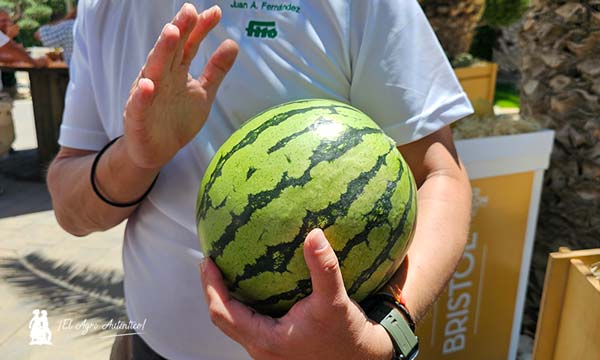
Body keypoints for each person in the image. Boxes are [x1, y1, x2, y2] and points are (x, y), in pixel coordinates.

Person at [47, 1, 473, 359]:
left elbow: (439, 174)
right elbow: (70, 208)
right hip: (147, 345)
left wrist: (383, 334)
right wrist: (136, 157)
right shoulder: (101, 6)